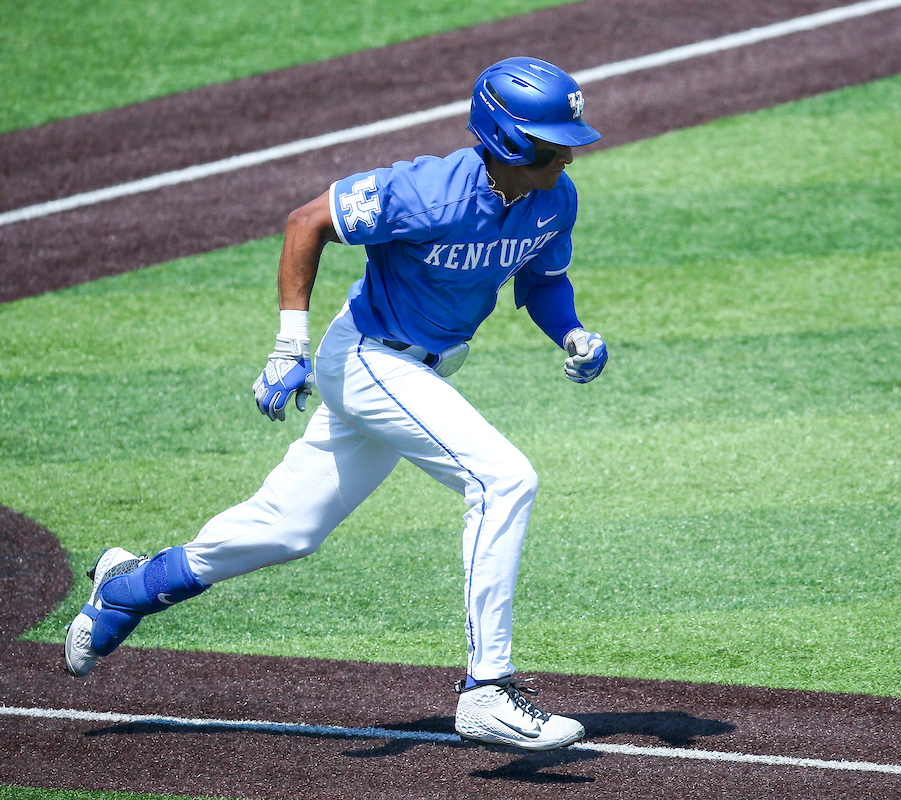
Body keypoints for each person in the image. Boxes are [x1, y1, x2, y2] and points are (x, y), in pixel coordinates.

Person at [63, 56, 609, 753]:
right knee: (503, 479)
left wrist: (571, 331)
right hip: (368, 359)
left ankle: (128, 587)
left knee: (288, 530)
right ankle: (486, 690)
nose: (568, 153)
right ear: (506, 139)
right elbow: (306, 222)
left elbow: (541, 281)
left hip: (421, 372)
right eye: (552, 141)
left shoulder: (555, 200)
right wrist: (287, 347)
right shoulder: (424, 192)